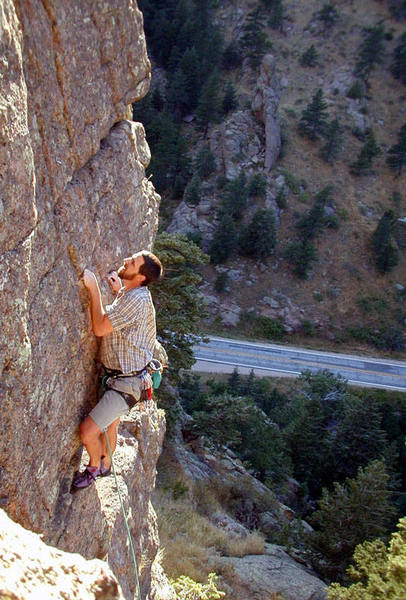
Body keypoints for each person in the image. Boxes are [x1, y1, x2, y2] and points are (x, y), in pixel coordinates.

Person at [72, 250, 163, 491]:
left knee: (88, 432)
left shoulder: (137, 300)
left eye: (132, 263)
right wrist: (118, 291)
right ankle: (107, 463)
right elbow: (126, 317)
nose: (126, 261)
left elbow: (101, 328)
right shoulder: (133, 294)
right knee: (111, 424)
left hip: (125, 384)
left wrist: (93, 289)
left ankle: (93, 467)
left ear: (141, 277)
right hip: (125, 378)